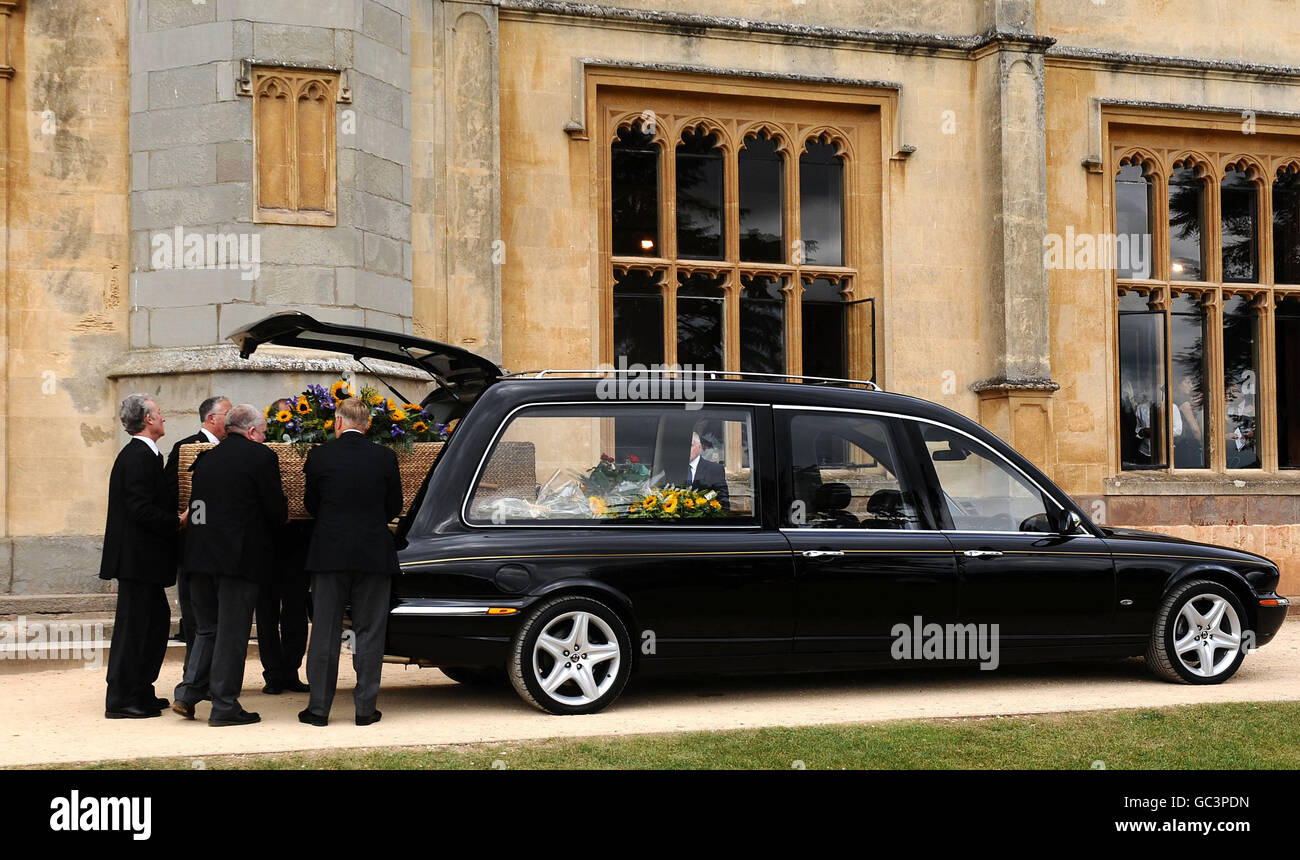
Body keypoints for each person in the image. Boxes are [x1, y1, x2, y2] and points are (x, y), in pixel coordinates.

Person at [173, 404, 287, 726]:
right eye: (264, 433)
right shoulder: (262, 458)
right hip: (237, 562)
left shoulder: (205, 458)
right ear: (251, 432)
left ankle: (187, 692)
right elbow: (275, 511)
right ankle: (224, 706)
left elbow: (198, 510)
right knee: (232, 634)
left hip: (199, 558)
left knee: (207, 629)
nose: (265, 439)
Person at [299, 397, 402, 727]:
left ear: (338, 423)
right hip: (373, 553)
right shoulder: (385, 457)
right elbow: (394, 506)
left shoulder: (319, 456)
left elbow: (311, 505)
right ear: (367, 424)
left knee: (325, 632)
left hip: (329, 553)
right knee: (370, 630)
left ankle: (318, 709)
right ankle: (364, 708)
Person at [100, 395, 184, 719]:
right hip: (136, 561)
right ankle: (121, 699)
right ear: (148, 419)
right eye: (159, 413)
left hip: (144, 560)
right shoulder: (137, 456)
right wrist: (176, 521)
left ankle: (140, 689)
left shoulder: (146, 455)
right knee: (134, 628)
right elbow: (140, 510)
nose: (163, 417)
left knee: (154, 623)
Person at [163, 395, 230, 667]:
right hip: (192, 544)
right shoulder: (186, 447)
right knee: (194, 612)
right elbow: (172, 490)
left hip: (220, 546)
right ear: (212, 418)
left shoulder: (229, 449)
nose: (231, 416)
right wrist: (184, 517)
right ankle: (194, 668)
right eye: (227, 412)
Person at [258, 397, 312, 695]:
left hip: (297, 547)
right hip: (268, 545)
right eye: (280, 419)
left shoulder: (307, 449)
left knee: (294, 613)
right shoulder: (264, 453)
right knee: (266, 614)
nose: (287, 423)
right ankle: (273, 673)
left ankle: (290, 670)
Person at [686, 431, 730, 511]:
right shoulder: (672, 470)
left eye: (691, 445)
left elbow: (723, 501)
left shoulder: (714, 469)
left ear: (699, 447)